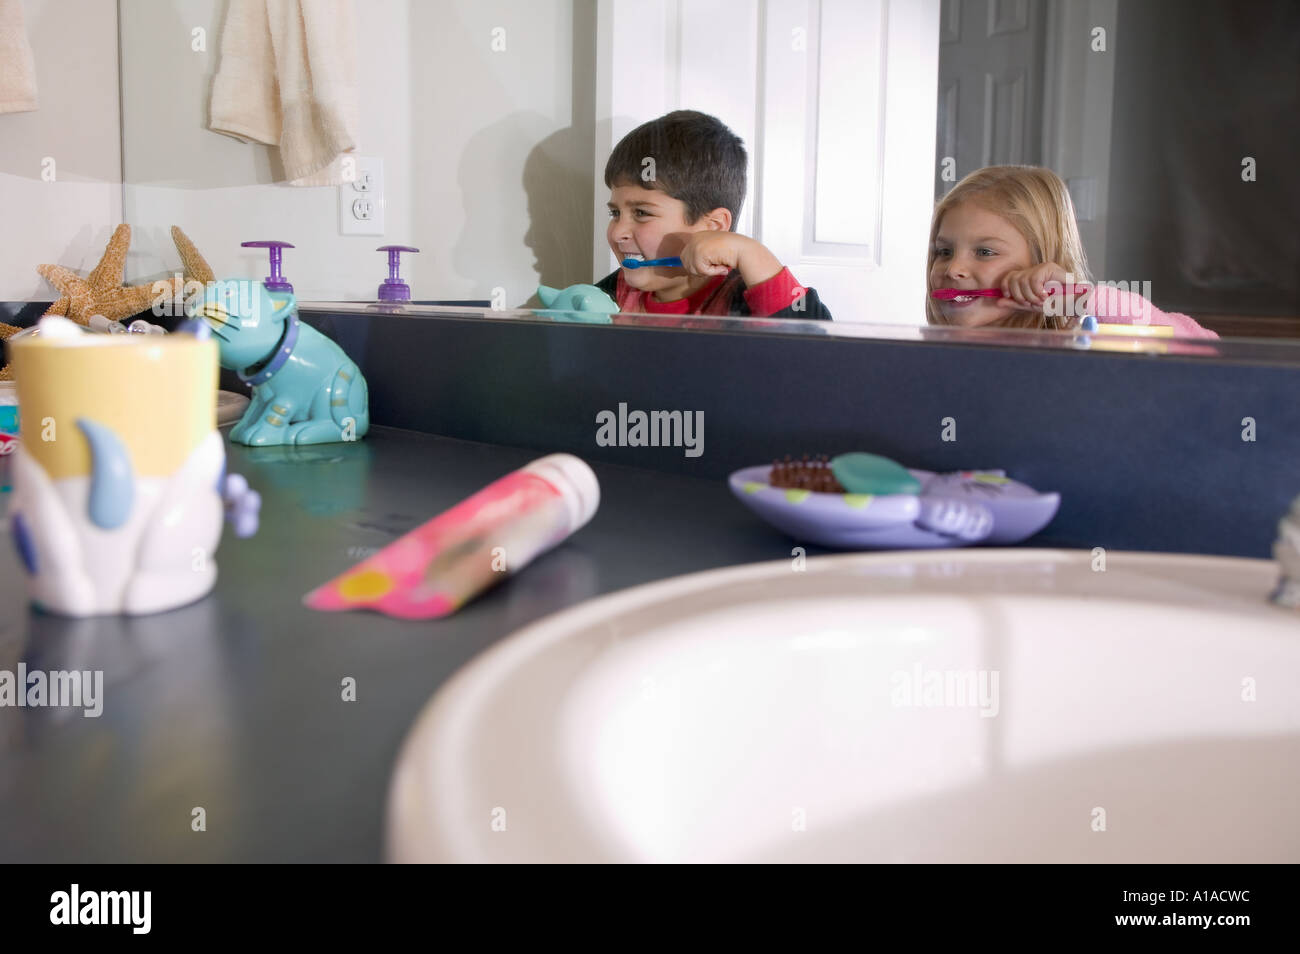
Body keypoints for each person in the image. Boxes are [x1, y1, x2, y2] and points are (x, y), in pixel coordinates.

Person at [928, 165, 1218, 338]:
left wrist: (1079, 300)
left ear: (1042, 260)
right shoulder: (937, 352)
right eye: (944, 252)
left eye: (984, 252)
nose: (953, 269)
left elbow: (1202, 345)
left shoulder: (1081, 337)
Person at [596, 110, 831, 320]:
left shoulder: (742, 298)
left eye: (641, 213)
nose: (617, 232)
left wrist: (749, 252)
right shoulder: (612, 295)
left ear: (714, 227)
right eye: (615, 212)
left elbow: (817, 350)